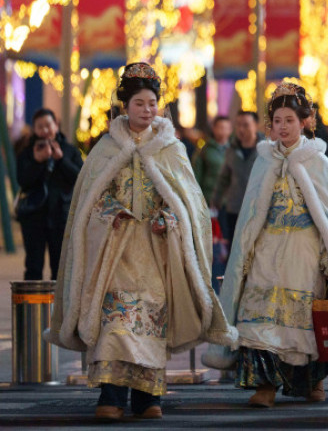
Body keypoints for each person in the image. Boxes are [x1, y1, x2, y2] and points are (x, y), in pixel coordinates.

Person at [46, 62, 234, 421]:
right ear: (124, 106)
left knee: (150, 323)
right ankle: (111, 395)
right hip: (114, 253)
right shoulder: (105, 150)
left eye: (152, 104)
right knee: (115, 325)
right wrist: (110, 213)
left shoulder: (171, 149)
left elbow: (189, 204)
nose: (147, 111)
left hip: (154, 253)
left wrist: (169, 219)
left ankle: (148, 398)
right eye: (139, 104)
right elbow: (89, 202)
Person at [203, 83, 328, 407]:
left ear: (304, 122)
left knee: (306, 318)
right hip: (267, 248)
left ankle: (312, 381)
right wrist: (247, 249)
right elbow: (252, 212)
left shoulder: (319, 162)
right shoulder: (264, 161)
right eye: (277, 120)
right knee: (261, 311)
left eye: (289, 120)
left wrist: (327, 256)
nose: (283, 127)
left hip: (305, 251)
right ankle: (264, 384)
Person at [15, 108, 83, 281]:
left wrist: (61, 160)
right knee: (33, 266)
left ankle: (58, 307)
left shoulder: (69, 150)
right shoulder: (27, 152)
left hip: (61, 215)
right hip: (33, 217)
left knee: (60, 267)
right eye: (40, 126)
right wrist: (37, 162)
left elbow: (80, 178)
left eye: (48, 125)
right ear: (34, 129)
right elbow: (23, 181)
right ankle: (32, 306)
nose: (44, 130)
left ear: (56, 125)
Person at [211, 111, 264, 247]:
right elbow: (224, 178)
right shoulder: (231, 150)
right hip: (235, 208)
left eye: (246, 125)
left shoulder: (265, 150)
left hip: (258, 209)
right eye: (238, 125)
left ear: (256, 126)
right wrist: (215, 200)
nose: (241, 129)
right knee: (234, 250)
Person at [191, 116, 232, 204]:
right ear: (214, 129)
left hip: (229, 201)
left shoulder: (235, 150)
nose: (223, 131)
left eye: (226, 128)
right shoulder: (204, 150)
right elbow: (196, 175)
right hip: (209, 197)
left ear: (230, 130)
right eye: (220, 127)